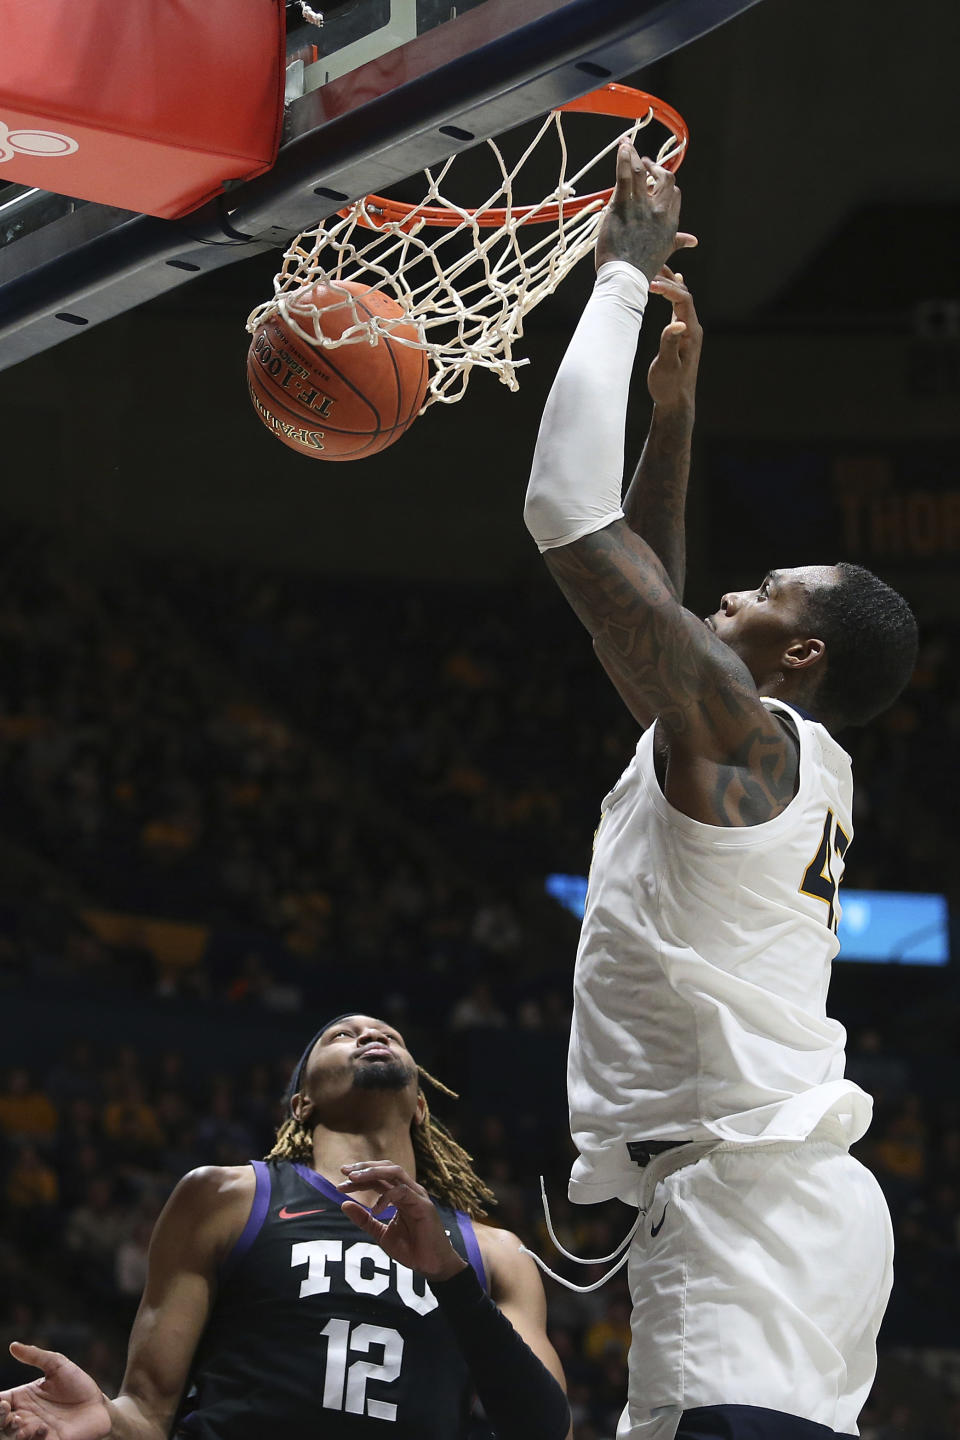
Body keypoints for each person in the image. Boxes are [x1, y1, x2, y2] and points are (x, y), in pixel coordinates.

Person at [522, 141, 918, 1440]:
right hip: (777, 1206)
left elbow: (568, 521)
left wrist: (623, 277)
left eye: (767, 597)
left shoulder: (747, 741)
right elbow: (644, 570)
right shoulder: (761, 753)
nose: (734, 594)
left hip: (748, 1210)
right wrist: (675, 420)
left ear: (800, 655)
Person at [0, 1014, 571, 1440]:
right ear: (301, 1103)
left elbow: (546, 1430)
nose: (373, 1034)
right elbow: (147, 1414)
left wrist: (451, 1277)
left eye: (390, 1035)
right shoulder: (223, 1196)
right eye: (342, 1035)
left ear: (421, 1105)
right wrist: (101, 1416)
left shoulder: (494, 1254)